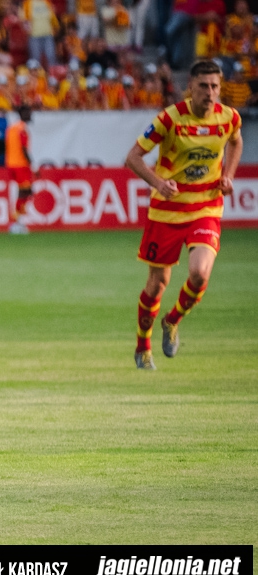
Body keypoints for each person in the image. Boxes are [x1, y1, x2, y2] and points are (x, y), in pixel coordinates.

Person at [124, 59, 242, 370]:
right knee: (157, 284)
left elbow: (236, 141)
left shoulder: (229, 117)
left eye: (215, 86)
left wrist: (228, 175)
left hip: (206, 207)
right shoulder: (170, 119)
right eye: (203, 86)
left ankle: (172, 320)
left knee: (200, 273)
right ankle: (143, 346)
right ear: (190, 87)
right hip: (167, 212)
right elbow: (133, 157)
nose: (210, 92)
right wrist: (158, 183)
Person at [5, 104, 34, 234]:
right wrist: (33, 165)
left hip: (11, 164)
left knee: (23, 192)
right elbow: (24, 149)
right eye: (29, 112)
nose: (31, 115)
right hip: (21, 165)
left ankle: (18, 220)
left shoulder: (11, 128)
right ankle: (17, 221)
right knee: (25, 192)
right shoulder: (22, 129)